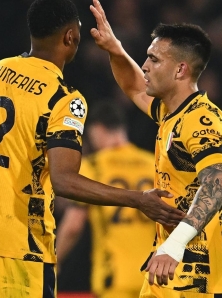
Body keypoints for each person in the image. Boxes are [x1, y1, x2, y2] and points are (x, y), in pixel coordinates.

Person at [0, 0, 185, 297]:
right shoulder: (64, 99)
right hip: (24, 247)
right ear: (70, 37)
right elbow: (64, 180)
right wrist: (138, 200)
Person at [89, 1, 222, 297]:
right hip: (166, 267)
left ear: (180, 69)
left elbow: (217, 184)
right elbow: (134, 87)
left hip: (202, 274)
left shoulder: (201, 118)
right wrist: (114, 48)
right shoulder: (171, 114)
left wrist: (174, 244)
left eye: (154, 60)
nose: (145, 66)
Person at [56, 102, 156, 298]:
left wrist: (56, 259)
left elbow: (74, 225)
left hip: (115, 279)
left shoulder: (93, 166)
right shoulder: (153, 163)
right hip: (155, 277)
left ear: (98, 129)